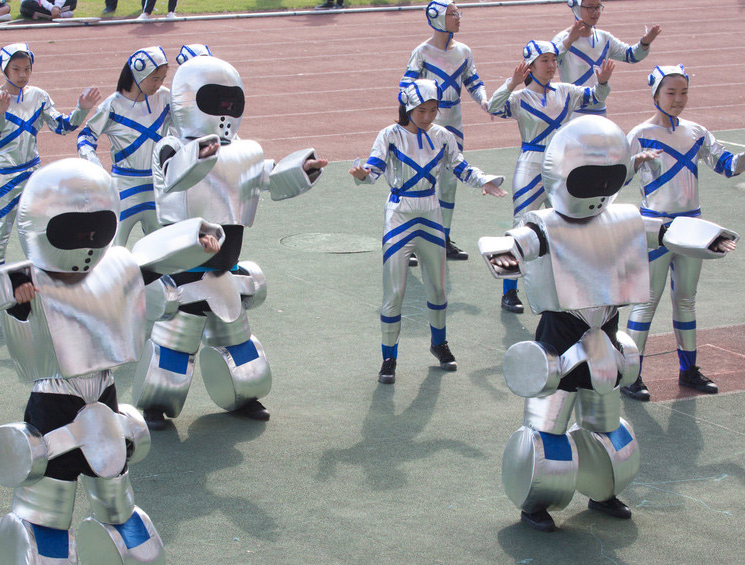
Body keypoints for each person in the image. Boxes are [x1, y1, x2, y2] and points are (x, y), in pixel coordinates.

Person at [0, 158, 223, 565]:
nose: (87, 241)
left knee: (116, 499)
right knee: (47, 507)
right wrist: (16, 289)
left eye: (94, 229)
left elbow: (151, 259)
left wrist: (199, 236)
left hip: (104, 401)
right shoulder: (32, 279)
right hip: (54, 406)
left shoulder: (115, 269)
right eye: (74, 228)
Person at [478, 115, 733, 532]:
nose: (598, 189)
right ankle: (535, 500)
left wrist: (706, 237)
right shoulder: (546, 223)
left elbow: (664, 229)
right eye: (589, 179)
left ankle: (605, 490)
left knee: (606, 421)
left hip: (606, 336)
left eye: (606, 179)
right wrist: (504, 254)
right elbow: (516, 241)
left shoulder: (623, 219)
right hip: (560, 336)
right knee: (548, 425)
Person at [131, 55, 327, 428]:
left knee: (238, 338)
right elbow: (173, 180)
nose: (224, 111)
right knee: (175, 343)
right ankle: (156, 403)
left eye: (230, 102)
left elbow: (268, 176)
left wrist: (300, 169)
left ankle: (243, 395)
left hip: (225, 268)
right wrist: (199, 155)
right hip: (186, 268)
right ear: (189, 101)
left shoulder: (246, 151)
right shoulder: (171, 148)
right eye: (215, 101)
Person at [349, 80, 505, 384]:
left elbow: (461, 167)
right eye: (422, 110)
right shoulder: (389, 135)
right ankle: (389, 358)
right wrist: (362, 175)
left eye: (434, 110)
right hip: (399, 215)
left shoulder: (443, 136)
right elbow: (373, 170)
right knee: (394, 293)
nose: (428, 116)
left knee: (437, 289)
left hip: (431, 213)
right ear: (408, 107)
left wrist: (484, 180)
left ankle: (439, 344)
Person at [622, 65, 743, 401]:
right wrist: (634, 161)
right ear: (655, 94)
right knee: (646, 304)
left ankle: (688, 370)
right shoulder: (639, 133)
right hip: (654, 228)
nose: (678, 99)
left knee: (686, 300)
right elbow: (618, 179)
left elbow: (727, 165)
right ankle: (631, 375)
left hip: (692, 228)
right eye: (671, 93)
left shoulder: (697, 132)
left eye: (683, 92)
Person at [486, 40, 612, 313]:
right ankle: (509, 291)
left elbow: (596, 97)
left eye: (554, 60)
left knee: (568, 224)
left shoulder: (566, 92)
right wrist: (511, 83)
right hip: (530, 163)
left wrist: (602, 83)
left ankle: (571, 286)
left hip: (560, 165)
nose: (552, 65)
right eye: (545, 60)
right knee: (520, 226)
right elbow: (493, 107)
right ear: (530, 66)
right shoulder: (519, 98)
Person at [0, 43, 100, 270]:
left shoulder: (39, 96)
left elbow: (62, 127)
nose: (22, 75)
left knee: (40, 229)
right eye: (16, 69)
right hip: (3, 177)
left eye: (27, 69)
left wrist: (82, 109)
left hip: (33, 175)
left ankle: (44, 276)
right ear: (4, 69)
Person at [400, 0, 488, 262]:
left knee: (449, 184)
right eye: (453, 14)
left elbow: (473, 81)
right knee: (417, 181)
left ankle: (443, 239)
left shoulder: (464, 51)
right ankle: (412, 241)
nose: (458, 17)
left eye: (458, 12)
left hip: (454, 122)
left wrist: (484, 99)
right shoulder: (422, 52)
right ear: (437, 18)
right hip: (426, 123)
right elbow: (405, 88)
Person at [78, 47, 170, 247]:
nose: (159, 84)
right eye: (155, 78)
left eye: (162, 78)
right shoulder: (113, 105)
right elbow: (85, 137)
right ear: (139, 72)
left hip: (158, 185)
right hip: (124, 187)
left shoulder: (165, 97)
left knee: (163, 251)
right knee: (111, 250)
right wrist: (95, 168)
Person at [553, 0, 660, 117]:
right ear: (576, 8)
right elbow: (549, 63)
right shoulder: (561, 39)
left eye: (598, 7)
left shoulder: (604, 38)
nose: (596, 12)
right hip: (572, 113)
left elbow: (631, 55)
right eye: (590, 8)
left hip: (600, 112)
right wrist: (569, 41)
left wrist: (644, 43)